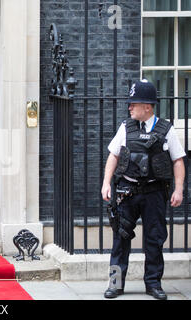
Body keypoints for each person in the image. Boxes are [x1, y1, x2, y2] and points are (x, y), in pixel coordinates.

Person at [101, 79, 185, 300]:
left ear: (147, 107)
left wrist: (179, 189)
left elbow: (178, 160)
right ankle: (115, 284)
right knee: (120, 240)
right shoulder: (125, 127)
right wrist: (105, 183)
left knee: (154, 240)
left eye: (133, 103)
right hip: (126, 192)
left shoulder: (166, 129)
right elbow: (114, 155)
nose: (129, 107)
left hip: (154, 193)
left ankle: (153, 285)